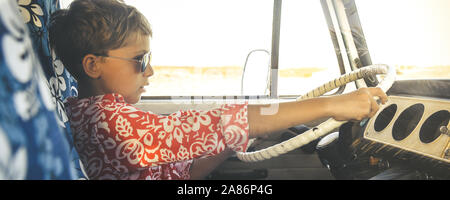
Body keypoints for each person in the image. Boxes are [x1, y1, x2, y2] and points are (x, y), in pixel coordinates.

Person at [49, 0, 388, 180]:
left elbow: (180, 171)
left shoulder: (102, 114)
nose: (150, 70)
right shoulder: (109, 124)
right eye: (140, 60)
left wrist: (233, 143)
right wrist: (330, 106)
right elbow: (211, 124)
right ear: (93, 65)